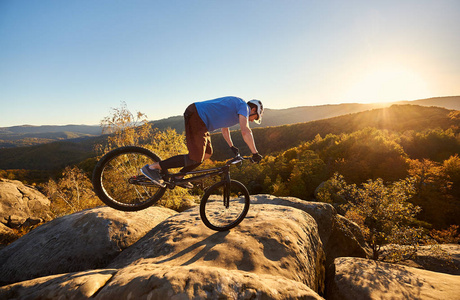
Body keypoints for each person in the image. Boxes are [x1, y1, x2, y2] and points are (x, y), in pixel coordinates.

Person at [141, 96, 264, 187]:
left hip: (201, 121)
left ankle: (179, 177)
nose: (253, 120)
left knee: (207, 154)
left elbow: (225, 129)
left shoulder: (237, 110)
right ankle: (152, 167)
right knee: (195, 157)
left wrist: (232, 146)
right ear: (253, 109)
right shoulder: (243, 106)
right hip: (197, 115)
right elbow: (245, 131)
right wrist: (255, 153)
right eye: (256, 117)